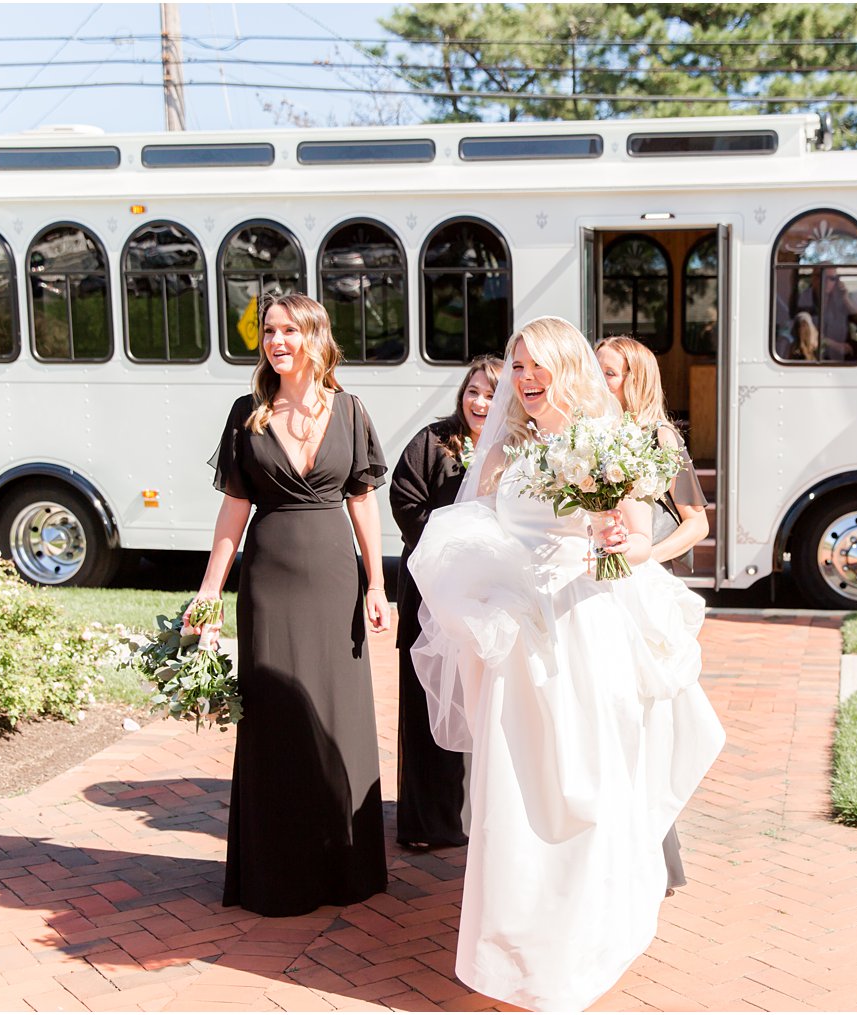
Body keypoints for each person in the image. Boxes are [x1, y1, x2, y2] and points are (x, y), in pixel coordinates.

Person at [407, 316, 725, 1012]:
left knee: (585, 778)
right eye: (517, 368)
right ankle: (515, 942)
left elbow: (637, 541)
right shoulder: (503, 454)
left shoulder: (606, 445)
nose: (523, 381)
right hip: (518, 636)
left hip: (584, 622)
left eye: (535, 367)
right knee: (516, 787)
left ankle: (583, 935)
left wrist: (610, 542)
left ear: (565, 367)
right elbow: (476, 535)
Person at [187, 292, 391, 918]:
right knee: (274, 719)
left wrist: (377, 583)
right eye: (269, 332)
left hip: (335, 579)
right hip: (270, 582)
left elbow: (362, 501)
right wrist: (209, 589)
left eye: (288, 331)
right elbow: (234, 510)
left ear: (314, 338)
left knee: (338, 715)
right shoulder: (246, 414)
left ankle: (344, 866)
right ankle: (278, 873)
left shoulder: (351, 411)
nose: (276, 342)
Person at [595, 335, 711, 897]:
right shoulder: (585, 432)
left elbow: (696, 522)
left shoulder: (659, 437)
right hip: (592, 587)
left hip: (640, 589)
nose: (600, 381)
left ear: (635, 379)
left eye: (610, 373)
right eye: (595, 371)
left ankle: (655, 854)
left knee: (645, 721)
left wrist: (646, 559)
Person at [389, 354, 502, 850]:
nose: (480, 401)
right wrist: (448, 551)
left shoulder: (522, 450)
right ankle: (428, 822)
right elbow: (405, 501)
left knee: (484, 703)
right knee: (427, 699)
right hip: (430, 592)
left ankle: (484, 820)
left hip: (492, 598)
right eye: (473, 390)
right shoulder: (433, 442)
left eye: (492, 392)